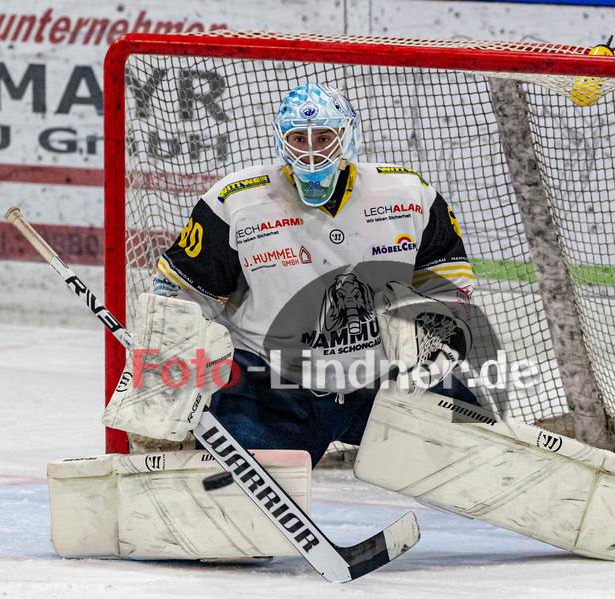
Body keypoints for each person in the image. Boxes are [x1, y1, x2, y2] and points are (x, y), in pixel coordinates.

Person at [150, 82, 478, 467]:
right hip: (270, 389)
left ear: (348, 136)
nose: (311, 151)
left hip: (384, 380)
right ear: (280, 141)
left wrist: (427, 347)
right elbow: (180, 293)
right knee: (234, 505)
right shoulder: (235, 202)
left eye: (324, 137)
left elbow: (449, 278)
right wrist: (163, 373)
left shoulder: (407, 193)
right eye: (298, 138)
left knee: (481, 461)